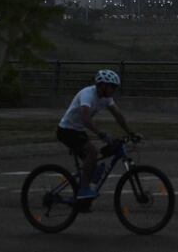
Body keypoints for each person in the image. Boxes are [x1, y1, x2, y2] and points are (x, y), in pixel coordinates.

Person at [56, 69, 138, 200]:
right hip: (66, 130)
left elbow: (118, 116)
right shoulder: (87, 94)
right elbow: (85, 118)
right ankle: (83, 190)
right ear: (102, 85)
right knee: (92, 152)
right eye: (112, 87)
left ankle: (84, 197)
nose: (114, 90)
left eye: (115, 87)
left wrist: (131, 133)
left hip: (78, 131)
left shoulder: (106, 99)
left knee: (94, 161)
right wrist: (101, 134)